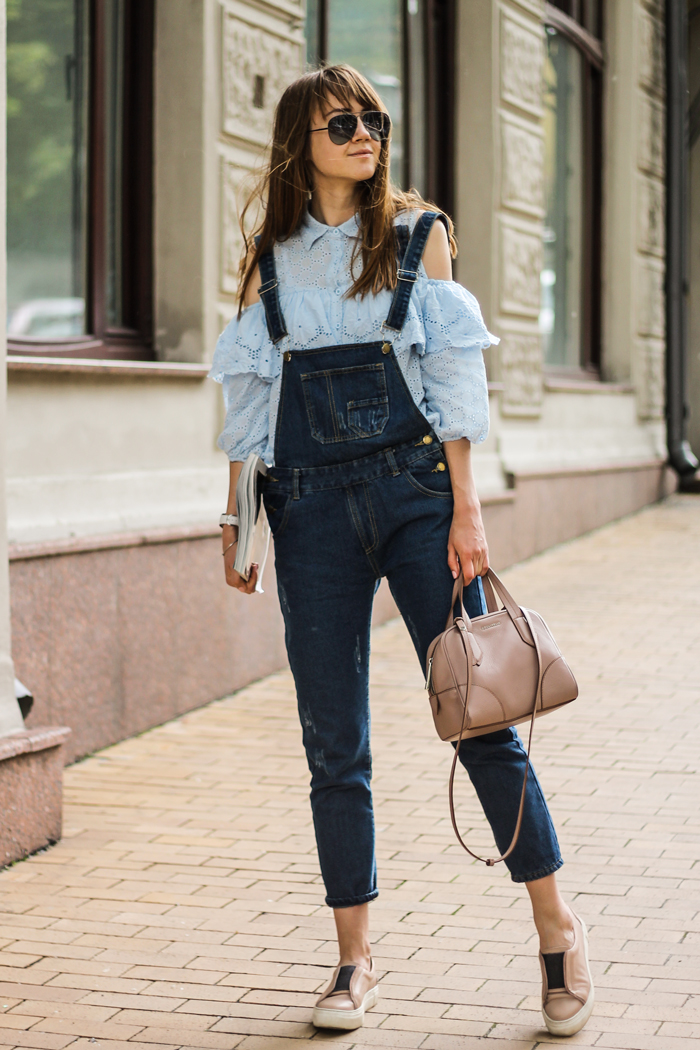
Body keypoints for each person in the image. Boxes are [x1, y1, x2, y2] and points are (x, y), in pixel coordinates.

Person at [209, 64, 593, 1038]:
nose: (365, 134)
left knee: (481, 716)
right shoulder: (269, 262)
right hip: (306, 512)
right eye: (344, 121)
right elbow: (250, 404)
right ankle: (353, 960)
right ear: (301, 142)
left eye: (374, 118)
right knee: (333, 743)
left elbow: (455, 383)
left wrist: (468, 512)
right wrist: (236, 522)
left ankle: (556, 931)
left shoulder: (420, 238)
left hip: (420, 502)